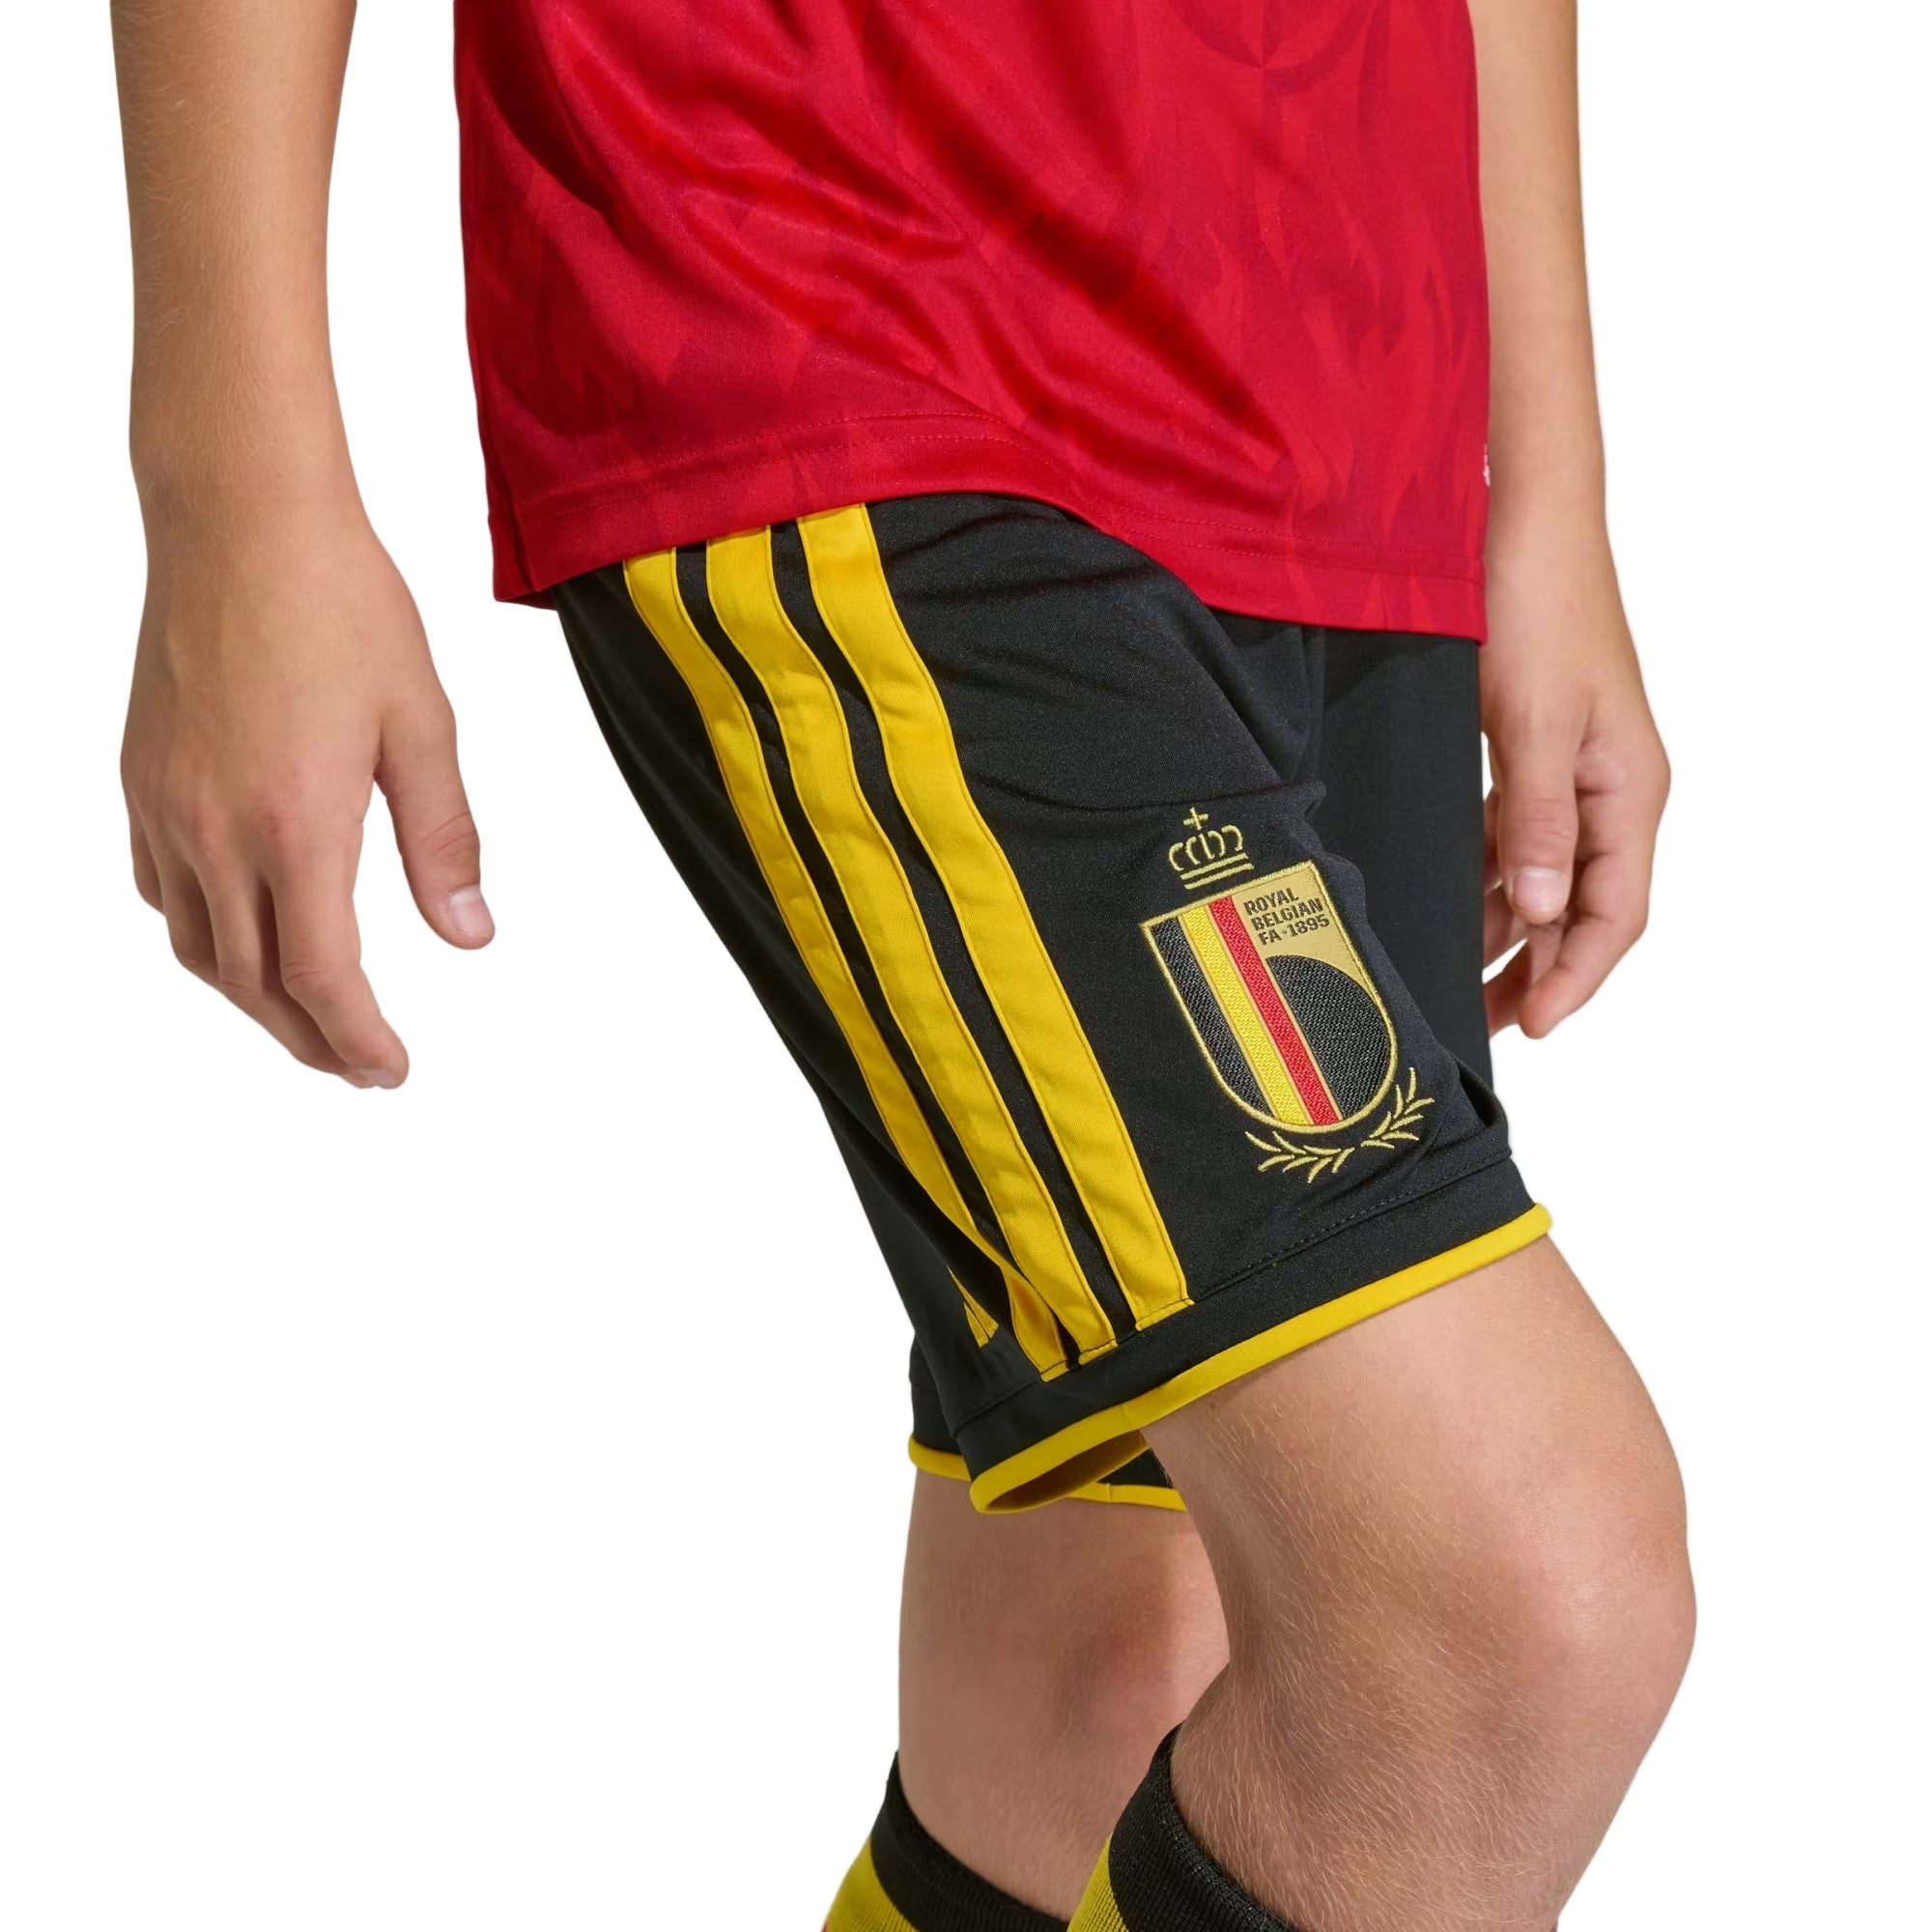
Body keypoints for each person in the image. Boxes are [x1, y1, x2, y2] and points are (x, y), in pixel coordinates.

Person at [106, 2, 1690, 1926]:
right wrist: (232, 484)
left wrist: (1546, 494)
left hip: (1341, 375)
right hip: (845, 277)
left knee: (1113, 1666)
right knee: (1502, 1607)